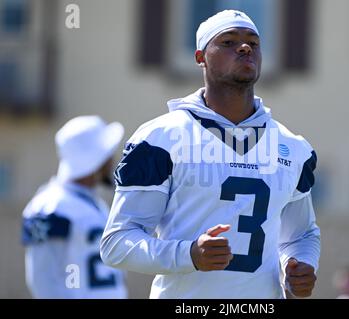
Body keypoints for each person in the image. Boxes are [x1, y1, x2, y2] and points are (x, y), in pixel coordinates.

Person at [101, 10, 321, 299]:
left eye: (253, 43)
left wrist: (300, 266)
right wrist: (188, 254)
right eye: (228, 42)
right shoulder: (161, 138)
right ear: (200, 57)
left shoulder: (291, 146)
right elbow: (116, 243)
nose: (245, 48)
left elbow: (301, 235)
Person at [22, 115, 127, 298]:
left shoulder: (95, 204)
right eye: (107, 153)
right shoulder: (50, 207)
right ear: (94, 159)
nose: (112, 159)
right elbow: (42, 279)